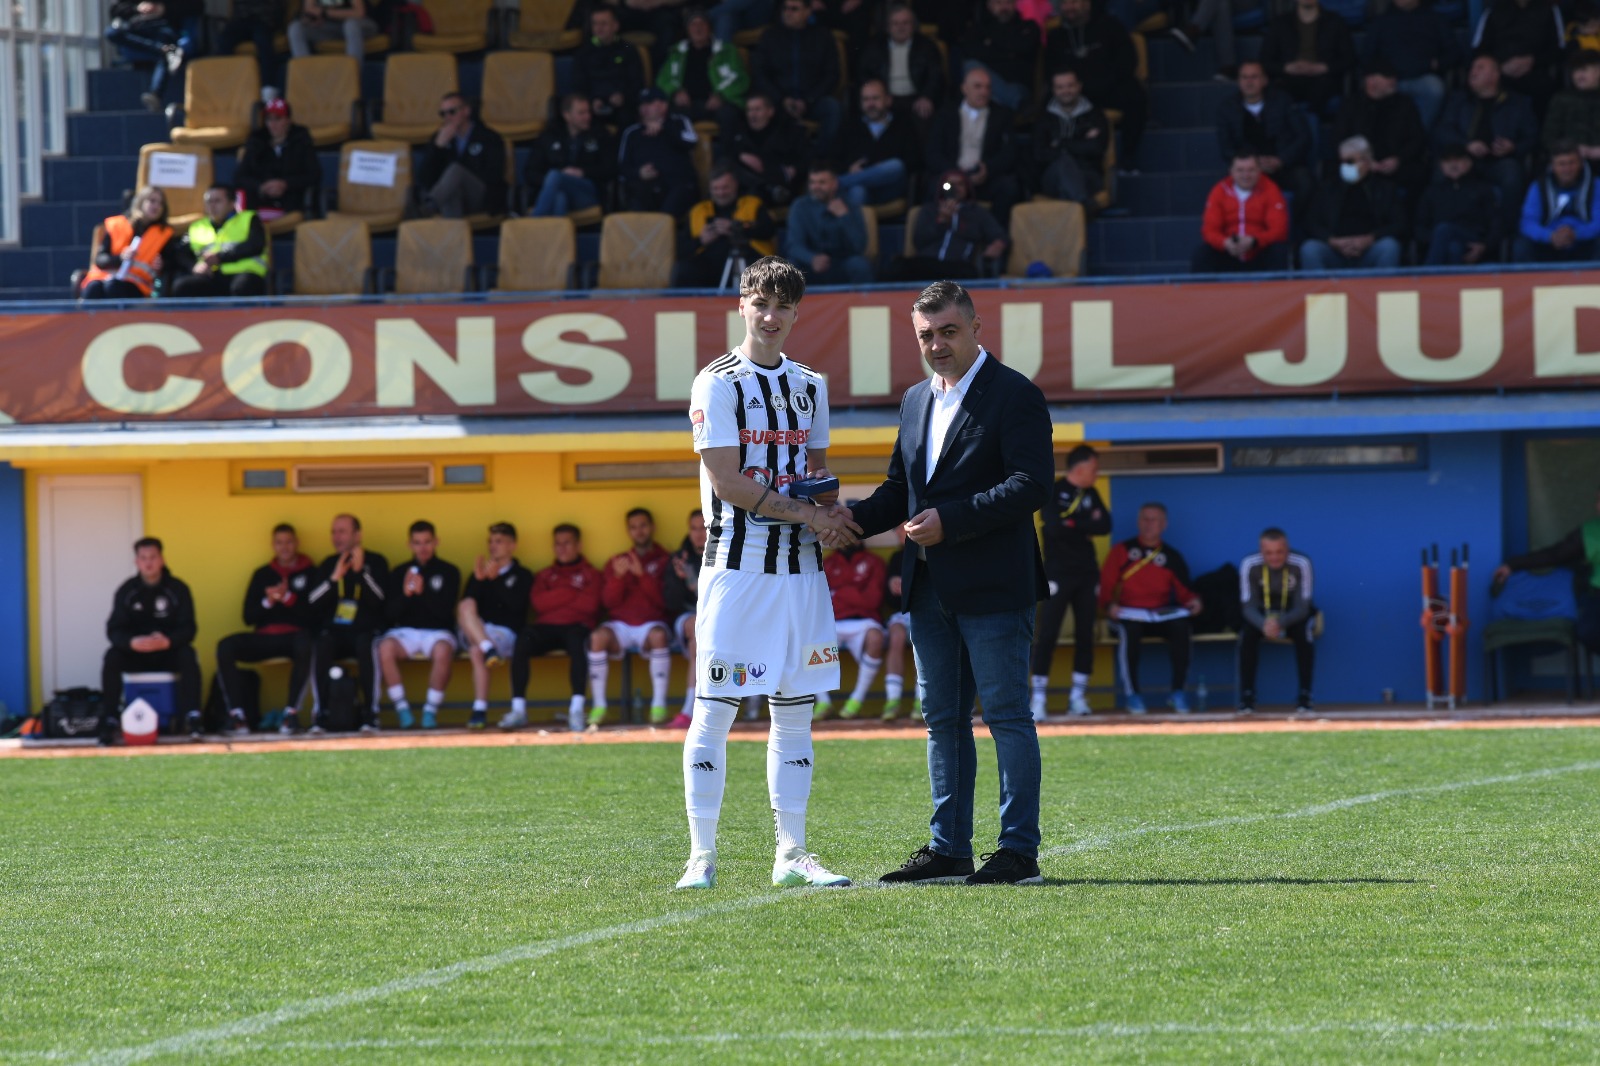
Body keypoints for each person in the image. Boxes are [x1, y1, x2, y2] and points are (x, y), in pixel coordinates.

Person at [842, 280, 1052, 887]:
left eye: (949, 331)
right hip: (928, 586)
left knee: (1006, 716)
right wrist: (843, 522)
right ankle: (949, 849)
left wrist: (951, 521)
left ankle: (1018, 852)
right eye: (926, 335)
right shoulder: (915, 399)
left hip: (995, 585)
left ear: (976, 328)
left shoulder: (1016, 393)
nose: (937, 344)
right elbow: (899, 491)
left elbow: (1032, 485)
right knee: (942, 720)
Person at [676, 254, 862, 892]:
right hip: (738, 567)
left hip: (801, 571)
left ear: (796, 313)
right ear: (742, 306)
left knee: (795, 710)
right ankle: (702, 855)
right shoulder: (716, 383)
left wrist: (831, 514)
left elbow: (816, 473)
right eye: (761, 303)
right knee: (716, 709)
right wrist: (813, 516)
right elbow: (727, 482)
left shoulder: (810, 385)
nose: (771, 316)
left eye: (783, 306)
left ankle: (793, 853)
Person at [1029, 445, 1110, 720]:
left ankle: (1078, 696)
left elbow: (1105, 525)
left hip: (1087, 572)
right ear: (1080, 467)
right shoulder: (1053, 491)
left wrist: (1073, 524)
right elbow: (1053, 527)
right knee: (1048, 633)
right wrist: (1085, 524)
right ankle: (1039, 698)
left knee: (1086, 633)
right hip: (1057, 572)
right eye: (1094, 468)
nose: (1096, 474)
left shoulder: (1091, 493)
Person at [1098, 502, 1203, 713]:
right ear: (1138, 522)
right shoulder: (1121, 551)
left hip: (1159, 615)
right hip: (1127, 615)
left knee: (1182, 627)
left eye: (1154, 520)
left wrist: (1194, 602)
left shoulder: (1172, 556)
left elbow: (1185, 593)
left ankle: (1178, 692)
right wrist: (1110, 606)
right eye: (1145, 519)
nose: (1149, 524)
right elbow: (1105, 588)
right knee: (1130, 631)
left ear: (1164, 524)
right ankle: (1133, 695)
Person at [215, 523, 316, 737]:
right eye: (279, 542)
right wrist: (268, 601)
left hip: (294, 638)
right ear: (273, 545)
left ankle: (291, 714)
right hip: (264, 638)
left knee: (307, 642)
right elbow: (248, 617)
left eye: (289, 542)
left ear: (297, 543)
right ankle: (237, 716)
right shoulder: (262, 574)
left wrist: (288, 598)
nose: (284, 547)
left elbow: (314, 615)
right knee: (226, 646)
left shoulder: (311, 572)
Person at [502, 524, 602, 734]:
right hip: (546, 627)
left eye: (567, 543)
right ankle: (518, 710)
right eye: (557, 544)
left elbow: (590, 605)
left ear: (578, 545)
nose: (561, 548)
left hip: (577, 626)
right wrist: (571, 592)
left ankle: (576, 710)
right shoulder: (545, 575)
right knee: (523, 639)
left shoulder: (591, 574)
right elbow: (539, 604)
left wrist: (555, 597)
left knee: (579, 642)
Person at [101, 537, 203, 741]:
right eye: (143, 558)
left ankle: (193, 718)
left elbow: (189, 628)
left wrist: (168, 641)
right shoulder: (127, 591)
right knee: (112, 656)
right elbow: (114, 630)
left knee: (188, 654)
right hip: (136, 655)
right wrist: (131, 642)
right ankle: (110, 719)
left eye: (153, 557)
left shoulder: (178, 589)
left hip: (168, 653)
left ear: (162, 560)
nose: (148, 563)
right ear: (136, 562)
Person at [588, 508, 674, 726]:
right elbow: (608, 603)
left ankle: (659, 706)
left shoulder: (665, 560)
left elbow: (665, 601)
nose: (639, 531)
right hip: (620, 626)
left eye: (643, 526)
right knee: (597, 637)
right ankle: (599, 706)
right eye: (634, 527)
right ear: (628, 531)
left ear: (652, 527)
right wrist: (618, 578)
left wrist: (642, 576)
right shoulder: (617, 561)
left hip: (651, 623)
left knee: (658, 636)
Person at [1493, 486, 1600, 657]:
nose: (1598, 506)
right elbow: (1556, 554)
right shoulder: (1590, 531)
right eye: (1598, 500)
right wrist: (1512, 565)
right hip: (1597, 594)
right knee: (1588, 631)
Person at [306, 513, 388, 733]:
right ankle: (321, 714)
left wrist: (360, 573)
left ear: (357, 535)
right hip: (335, 631)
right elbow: (312, 603)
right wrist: (334, 578)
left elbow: (380, 600)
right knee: (321, 643)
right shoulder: (328, 564)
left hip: (365, 632)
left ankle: (370, 715)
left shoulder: (376, 561)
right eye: (333, 532)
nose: (336, 537)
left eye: (342, 531)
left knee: (367, 645)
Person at [1435, 55, 1538, 229]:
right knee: (1441, 171)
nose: (1473, 72)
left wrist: (1513, 147)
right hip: (1463, 158)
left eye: (1480, 67)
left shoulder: (1518, 103)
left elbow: (1532, 137)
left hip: (1499, 162)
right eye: (1472, 68)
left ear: (1495, 74)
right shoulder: (1458, 100)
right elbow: (1442, 131)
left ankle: (1507, 231)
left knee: (1511, 172)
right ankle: (1440, 229)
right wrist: (1466, 145)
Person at [376, 520, 461, 730]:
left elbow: (445, 613)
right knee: (384, 648)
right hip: (405, 633)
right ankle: (402, 709)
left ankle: (430, 711)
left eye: (427, 542)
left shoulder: (450, 571)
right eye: (417, 542)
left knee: (443, 650)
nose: (422, 547)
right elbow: (389, 614)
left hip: (437, 632)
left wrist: (424, 593)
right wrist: (406, 595)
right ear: (410, 545)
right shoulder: (399, 572)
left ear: (436, 542)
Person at [1046, 0, 1148, 171]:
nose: (1069, 8)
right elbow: (1052, 71)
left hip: (1110, 88)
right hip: (1075, 92)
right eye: (1065, 4)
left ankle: (1128, 156)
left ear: (1087, 4)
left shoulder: (1111, 26)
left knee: (1135, 95)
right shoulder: (1056, 36)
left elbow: (1127, 62)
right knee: (1049, 102)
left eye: (1074, 2)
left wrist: (1102, 83)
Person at [456, 522, 534, 730]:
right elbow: (466, 609)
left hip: (505, 633)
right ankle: (488, 649)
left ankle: (479, 710)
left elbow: (517, 608)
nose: (493, 546)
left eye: (499, 541)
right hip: (479, 631)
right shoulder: (479, 573)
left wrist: (496, 580)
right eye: (490, 541)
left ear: (512, 545)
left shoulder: (523, 574)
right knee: (466, 604)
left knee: (476, 651)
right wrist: (480, 580)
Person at [924, 68, 1020, 222]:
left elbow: (1009, 153)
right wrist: (953, 173)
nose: (984, 92)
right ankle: (945, 231)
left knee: (1008, 187)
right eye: (978, 86)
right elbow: (933, 152)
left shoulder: (1002, 115)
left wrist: (988, 169)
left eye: (987, 87)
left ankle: (994, 233)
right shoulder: (946, 114)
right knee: (938, 186)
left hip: (984, 181)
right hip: (952, 181)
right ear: (964, 88)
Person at [1237, 528, 1316, 715]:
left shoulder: (1301, 563)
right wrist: (1264, 624)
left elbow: (1303, 606)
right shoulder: (1249, 564)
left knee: (1305, 633)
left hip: (1291, 615)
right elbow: (1248, 606)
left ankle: (1305, 697)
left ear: (1287, 549)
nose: (1274, 557)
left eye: (1280, 552)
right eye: (1269, 553)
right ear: (1261, 551)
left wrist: (1280, 623)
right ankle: (1247, 697)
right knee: (1246, 634)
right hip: (1261, 617)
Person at [1298, 136, 1405, 272]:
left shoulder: (1385, 189)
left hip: (1370, 251)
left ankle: (1381, 286)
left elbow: (1399, 223)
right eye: (1341, 162)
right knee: (1310, 249)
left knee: (1389, 247)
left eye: (1350, 161)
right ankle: (1320, 287)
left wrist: (1370, 239)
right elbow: (1311, 222)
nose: (1344, 166)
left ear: (1367, 161)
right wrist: (1332, 241)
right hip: (1335, 252)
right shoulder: (1327, 188)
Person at [1214, 62, 1313, 208]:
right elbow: (1226, 147)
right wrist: (1253, 163)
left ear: (1264, 80)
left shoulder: (1282, 101)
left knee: (1305, 181)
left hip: (1283, 166)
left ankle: (1291, 220)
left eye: (1254, 77)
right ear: (1238, 81)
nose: (1249, 82)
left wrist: (1281, 160)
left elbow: (1303, 137)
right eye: (1244, 77)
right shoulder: (1227, 108)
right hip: (1248, 169)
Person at [750, 0, 843, 152]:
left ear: (808, 11)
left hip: (812, 100)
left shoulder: (823, 36)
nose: (788, 13)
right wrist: (781, 99)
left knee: (832, 108)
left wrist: (809, 99)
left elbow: (832, 74)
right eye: (785, 8)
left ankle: (820, 158)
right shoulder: (770, 36)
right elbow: (760, 73)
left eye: (794, 9)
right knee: (759, 108)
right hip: (778, 101)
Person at [814, 539, 888, 720]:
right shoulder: (827, 563)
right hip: (833, 623)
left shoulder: (874, 562)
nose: (846, 538)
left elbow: (872, 600)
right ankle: (823, 702)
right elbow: (820, 601)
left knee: (876, 637)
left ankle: (856, 700)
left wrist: (840, 593)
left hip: (864, 620)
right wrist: (855, 593)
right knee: (808, 639)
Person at [1362, 0, 1462, 130]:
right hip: (1390, 80)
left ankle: (1418, 135)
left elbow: (1454, 53)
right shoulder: (1381, 21)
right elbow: (1367, 56)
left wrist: (1436, 63)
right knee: (1374, 88)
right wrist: (1381, 75)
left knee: (1434, 88)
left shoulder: (1435, 19)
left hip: (1423, 78)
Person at [893, 169, 1007, 281]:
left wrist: (998, 244)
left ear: (967, 187)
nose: (956, 188)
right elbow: (919, 241)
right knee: (898, 266)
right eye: (951, 184)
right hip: (927, 263)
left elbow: (999, 235)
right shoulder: (929, 210)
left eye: (960, 184)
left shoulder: (977, 212)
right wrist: (941, 221)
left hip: (958, 266)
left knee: (969, 272)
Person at [1336, 62, 1429, 199]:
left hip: (1396, 163)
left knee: (1419, 174)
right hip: (1359, 162)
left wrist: (1398, 159)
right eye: (1388, 78)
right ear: (1371, 81)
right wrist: (1364, 161)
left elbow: (1417, 138)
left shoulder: (1405, 104)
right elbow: (1339, 138)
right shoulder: (1351, 105)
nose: (1394, 82)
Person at [677, 164, 778, 288]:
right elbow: (682, 249)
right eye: (716, 188)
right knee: (684, 270)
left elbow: (768, 230)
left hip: (748, 258)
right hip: (709, 265)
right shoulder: (698, 211)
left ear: (735, 185)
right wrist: (701, 240)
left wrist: (736, 228)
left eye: (725, 187)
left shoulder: (752, 204)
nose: (721, 193)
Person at [1193, 153, 1291, 273]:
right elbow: (1209, 230)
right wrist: (1225, 243)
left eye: (1251, 170)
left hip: (1259, 252)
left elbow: (1279, 230)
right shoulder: (1219, 191)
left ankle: (1279, 286)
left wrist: (1255, 241)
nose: (1246, 175)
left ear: (1259, 171)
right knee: (1202, 254)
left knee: (1279, 250)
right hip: (1228, 253)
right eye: (1240, 170)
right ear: (1231, 171)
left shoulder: (1271, 190)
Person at [168, 184, 269, 299]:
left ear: (231, 203)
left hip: (245, 274)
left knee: (243, 286)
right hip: (211, 276)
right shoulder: (197, 226)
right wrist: (193, 266)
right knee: (182, 286)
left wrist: (220, 257)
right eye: (209, 201)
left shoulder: (249, 219)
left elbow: (255, 245)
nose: (212, 206)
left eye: (217, 201)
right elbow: (180, 253)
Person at [781, 161, 874, 285]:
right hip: (810, 264)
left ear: (834, 184)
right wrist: (812, 259)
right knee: (790, 268)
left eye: (822, 182)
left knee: (860, 265)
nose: (816, 187)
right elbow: (793, 245)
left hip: (841, 262)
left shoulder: (849, 205)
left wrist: (845, 217)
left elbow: (859, 246)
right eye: (812, 182)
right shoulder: (800, 206)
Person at [416, 93, 507, 220]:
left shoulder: (489, 137)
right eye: (443, 114)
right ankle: (453, 232)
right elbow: (424, 179)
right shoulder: (439, 138)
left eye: (452, 112)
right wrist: (438, 148)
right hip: (449, 195)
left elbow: (494, 175)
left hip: (481, 196)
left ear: (466, 111)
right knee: (452, 192)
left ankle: (431, 204)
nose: (447, 117)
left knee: (455, 170)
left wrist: (462, 176)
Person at [1258, 0, 1356, 117]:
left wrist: (1323, 68)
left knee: (1322, 88)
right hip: (1289, 78)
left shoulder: (1335, 22)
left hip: (1324, 79)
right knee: (1278, 92)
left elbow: (1349, 59)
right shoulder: (1280, 23)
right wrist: (1287, 68)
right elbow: (1265, 60)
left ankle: (1310, 122)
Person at [525, 94, 617, 218]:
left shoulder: (600, 134)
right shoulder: (549, 136)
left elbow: (611, 168)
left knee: (555, 175)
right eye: (581, 113)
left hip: (588, 192)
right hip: (556, 192)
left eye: (588, 112)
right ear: (567, 115)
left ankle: (534, 223)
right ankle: (556, 231)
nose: (588, 116)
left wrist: (582, 172)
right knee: (559, 198)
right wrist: (552, 182)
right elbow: (530, 172)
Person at [106, 0, 203, 113]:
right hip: (138, 27)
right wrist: (137, 8)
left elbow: (196, 6)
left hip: (165, 27)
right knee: (112, 33)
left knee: (166, 42)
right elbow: (116, 9)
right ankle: (164, 50)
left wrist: (162, 8)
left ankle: (156, 93)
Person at [617, 87, 701, 217]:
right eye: (641, 104)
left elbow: (691, 141)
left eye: (650, 103)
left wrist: (664, 127)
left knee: (678, 195)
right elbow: (622, 167)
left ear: (664, 105)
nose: (644, 108)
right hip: (646, 187)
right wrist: (638, 172)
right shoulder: (632, 132)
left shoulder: (679, 121)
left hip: (677, 185)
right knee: (636, 195)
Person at [856, 4, 945, 124]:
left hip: (917, 98)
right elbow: (864, 75)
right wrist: (879, 96)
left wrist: (927, 96)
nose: (900, 27)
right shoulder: (874, 47)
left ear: (913, 26)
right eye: (895, 23)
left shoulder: (927, 47)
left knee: (925, 116)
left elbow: (936, 76)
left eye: (905, 23)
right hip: (886, 97)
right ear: (888, 27)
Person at [79, 186, 172, 301]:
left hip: (136, 285)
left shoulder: (163, 233)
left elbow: (171, 262)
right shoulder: (116, 225)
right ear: (140, 202)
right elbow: (100, 259)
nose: (156, 206)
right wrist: (121, 258)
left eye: (161, 203)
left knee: (113, 287)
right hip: (103, 277)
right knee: (94, 288)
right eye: (152, 201)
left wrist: (162, 264)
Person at [657, 7, 750, 122]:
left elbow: (741, 79)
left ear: (709, 28)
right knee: (670, 116)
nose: (698, 28)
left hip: (720, 103)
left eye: (702, 24)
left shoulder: (726, 51)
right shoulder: (677, 52)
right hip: (687, 105)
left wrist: (721, 96)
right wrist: (675, 92)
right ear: (687, 30)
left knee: (728, 115)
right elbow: (663, 80)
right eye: (693, 24)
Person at [1414, 145, 1502, 266]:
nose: (1453, 165)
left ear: (1469, 163)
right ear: (1441, 166)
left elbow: (1495, 223)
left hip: (1472, 240)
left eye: (1458, 160)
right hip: (1441, 244)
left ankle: (1429, 273)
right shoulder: (1432, 192)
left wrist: (1484, 246)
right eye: (1447, 161)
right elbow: (1420, 228)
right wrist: (1437, 240)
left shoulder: (1482, 189)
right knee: (1452, 246)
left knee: (1444, 230)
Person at [837, 80, 919, 209]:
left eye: (875, 98)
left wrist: (880, 168)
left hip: (890, 187)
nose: (870, 104)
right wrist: (849, 168)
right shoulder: (850, 125)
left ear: (888, 100)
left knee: (895, 165)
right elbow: (834, 158)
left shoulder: (903, 124)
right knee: (857, 191)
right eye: (866, 99)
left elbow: (915, 160)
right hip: (862, 188)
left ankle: (836, 183)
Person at [1471, 0, 1565, 112]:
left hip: (1537, 72)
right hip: (1499, 73)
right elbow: (1479, 50)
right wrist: (1498, 67)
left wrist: (1532, 61)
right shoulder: (1494, 10)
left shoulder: (1549, 9)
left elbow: (1559, 49)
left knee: (1547, 89)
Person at [720, 91, 810, 207]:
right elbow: (727, 152)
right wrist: (741, 156)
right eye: (749, 110)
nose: (752, 114)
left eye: (757, 109)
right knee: (729, 165)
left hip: (780, 184)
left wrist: (795, 169)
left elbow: (806, 158)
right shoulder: (740, 131)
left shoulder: (788, 132)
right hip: (749, 188)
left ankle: (767, 188)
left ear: (770, 112)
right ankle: (767, 187)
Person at [1034, 68, 1110, 205]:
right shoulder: (1043, 118)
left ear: (1079, 86)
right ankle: (1083, 205)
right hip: (1053, 176)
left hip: (1088, 174)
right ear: (1053, 90)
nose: (1066, 91)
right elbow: (1039, 154)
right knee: (1064, 163)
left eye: (1070, 86)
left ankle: (1078, 204)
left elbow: (1097, 148)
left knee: (1066, 173)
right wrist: (1080, 142)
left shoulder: (1095, 115)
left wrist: (1060, 144)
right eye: (1060, 87)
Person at [1514, 141, 1600, 261]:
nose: (1567, 169)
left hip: (1584, 242)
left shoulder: (1595, 185)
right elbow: (1528, 222)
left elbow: (1598, 221)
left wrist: (1576, 234)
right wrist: (1550, 236)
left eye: (1571, 163)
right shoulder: (1538, 187)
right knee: (1522, 246)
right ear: (1552, 166)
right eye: (1561, 164)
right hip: (1549, 243)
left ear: (1580, 164)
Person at [234, 98, 320, 218]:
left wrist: (285, 184)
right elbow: (240, 177)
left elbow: (314, 175)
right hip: (259, 203)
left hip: (292, 203)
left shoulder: (301, 143)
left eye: (278, 118)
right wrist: (261, 187)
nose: (272, 124)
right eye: (269, 119)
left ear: (288, 120)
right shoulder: (256, 143)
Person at [662, 510, 708, 730]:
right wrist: (681, 582)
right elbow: (671, 603)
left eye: (704, 528)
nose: (699, 534)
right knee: (699, 629)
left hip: (722, 619)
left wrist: (693, 583)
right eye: (694, 528)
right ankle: (690, 709)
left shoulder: (726, 554)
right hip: (688, 619)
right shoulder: (680, 559)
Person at [574, 7, 646, 127]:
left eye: (604, 24)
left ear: (615, 26)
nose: (599, 28)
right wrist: (592, 100)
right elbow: (578, 85)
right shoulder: (583, 52)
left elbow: (637, 82)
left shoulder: (628, 48)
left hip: (624, 106)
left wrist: (623, 97)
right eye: (595, 24)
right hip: (593, 108)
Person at [964, 0, 1041, 113]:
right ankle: (1016, 102)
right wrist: (1010, 53)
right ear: (989, 6)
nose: (1004, 7)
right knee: (970, 66)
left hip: (1018, 85)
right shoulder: (979, 29)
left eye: (1008, 2)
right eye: (998, 2)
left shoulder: (1029, 26)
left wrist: (991, 45)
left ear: (1015, 4)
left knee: (991, 99)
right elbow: (971, 52)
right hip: (988, 87)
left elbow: (1025, 48)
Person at [879, 525, 920, 720]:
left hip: (927, 613)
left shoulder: (929, 553)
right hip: (904, 613)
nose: (897, 532)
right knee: (896, 635)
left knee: (922, 640)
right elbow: (891, 601)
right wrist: (893, 587)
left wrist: (911, 588)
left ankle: (922, 700)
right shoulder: (897, 557)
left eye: (901, 528)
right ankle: (893, 701)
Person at [217, 0, 284, 98]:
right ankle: (227, 84)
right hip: (242, 20)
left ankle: (268, 87)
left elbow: (276, 7)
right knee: (224, 39)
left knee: (263, 40)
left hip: (263, 19)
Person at [1543, 51, 1600, 161]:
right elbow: (1549, 137)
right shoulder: (1561, 99)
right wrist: (1572, 150)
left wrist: (1596, 151)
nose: (1579, 75)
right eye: (1575, 71)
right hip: (1568, 160)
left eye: (1584, 70)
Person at [288, 0, 385, 61]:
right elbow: (309, 10)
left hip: (362, 25)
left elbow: (359, 13)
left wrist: (326, 13)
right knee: (296, 28)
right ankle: (306, 78)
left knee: (350, 25)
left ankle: (352, 79)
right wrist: (310, 20)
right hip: (331, 28)